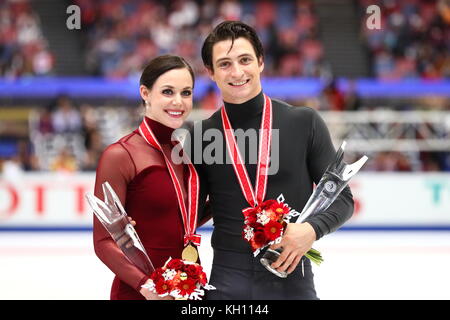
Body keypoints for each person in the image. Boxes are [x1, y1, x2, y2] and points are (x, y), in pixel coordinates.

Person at [188, 21, 355, 300]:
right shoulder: (201, 136)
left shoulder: (304, 122)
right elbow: (189, 212)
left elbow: (343, 199)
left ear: (261, 62)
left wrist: (311, 230)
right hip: (228, 280)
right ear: (211, 73)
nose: (237, 72)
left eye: (245, 60)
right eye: (225, 64)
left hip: (292, 276)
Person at [93, 55, 202, 300]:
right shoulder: (120, 155)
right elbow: (103, 242)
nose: (179, 101)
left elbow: (183, 219)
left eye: (186, 93)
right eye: (167, 92)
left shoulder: (183, 154)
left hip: (187, 288)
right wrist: (147, 286)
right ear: (145, 92)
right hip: (141, 293)